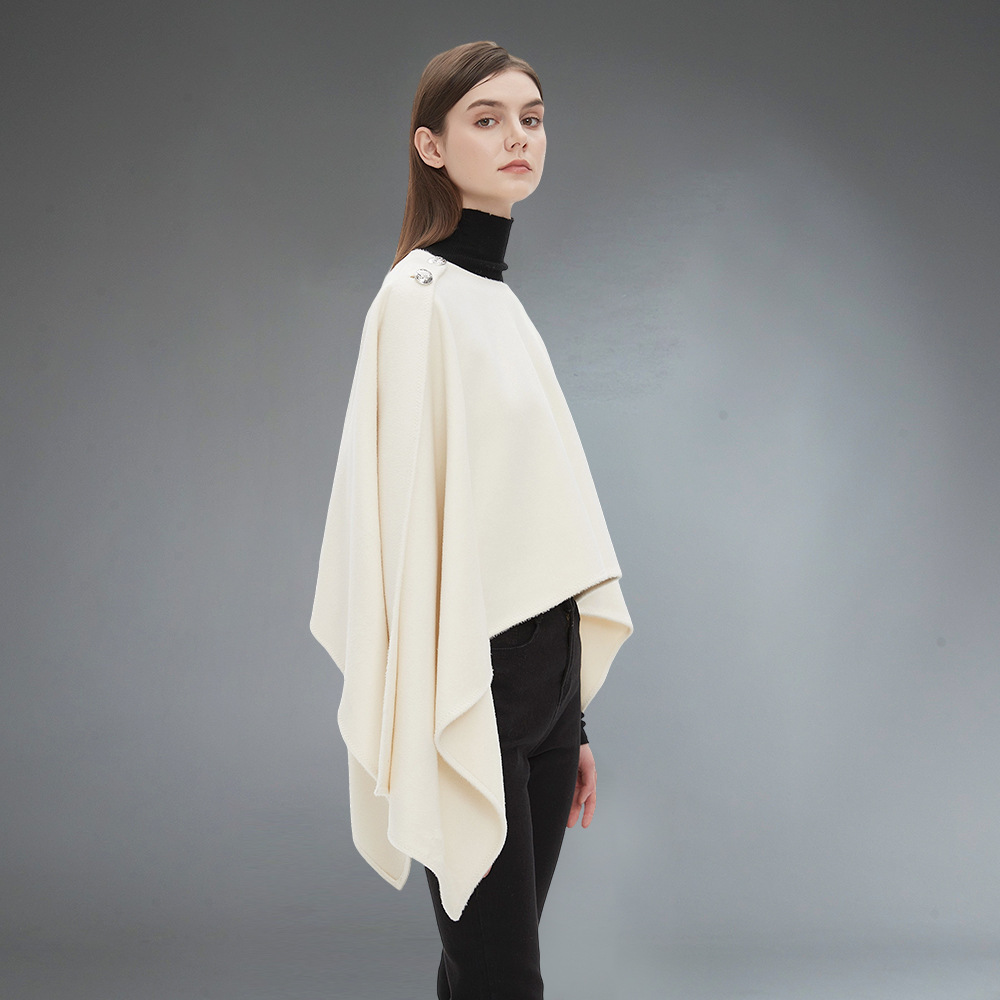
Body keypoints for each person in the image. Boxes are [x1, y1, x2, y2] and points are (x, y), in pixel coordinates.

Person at [310, 40, 632, 999]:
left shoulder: (496, 302)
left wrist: (571, 719)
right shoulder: (416, 300)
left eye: (531, 118)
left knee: (483, 971)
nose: (517, 136)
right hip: (472, 679)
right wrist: (451, 699)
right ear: (432, 146)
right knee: (502, 977)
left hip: (544, 678)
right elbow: (408, 531)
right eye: (486, 120)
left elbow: (537, 521)